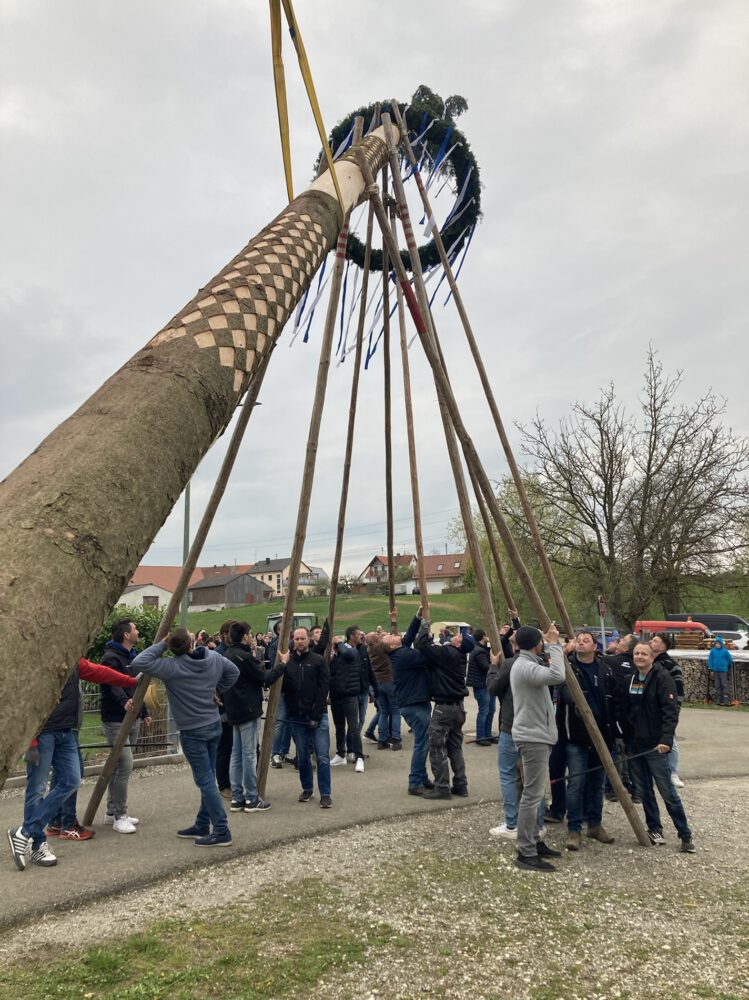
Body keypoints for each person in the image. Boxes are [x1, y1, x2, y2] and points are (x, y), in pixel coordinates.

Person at [7, 657, 136, 871]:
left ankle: (24, 832)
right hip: (42, 734)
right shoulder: (37, 662)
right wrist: (30, 741)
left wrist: (129, 681)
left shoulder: (71, 658)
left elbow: (99, 672)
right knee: (37, 789)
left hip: (66, 732)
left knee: (71, 780)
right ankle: (38, 845)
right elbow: (23, 699)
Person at [133, 628, 239, 847]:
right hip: (213, 724)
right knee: (209, 776)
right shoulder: (213, 657)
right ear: (191, 643)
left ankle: (222, 830)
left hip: (192, 730)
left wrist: (162, 643)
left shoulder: (171, 667)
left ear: (172, 647)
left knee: (205, 781)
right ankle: (202, 824)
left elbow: (140, 661)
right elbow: (234, 672)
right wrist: (217, 690)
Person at [623, 642, 695, 852]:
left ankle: (685, 834)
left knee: (667, 792)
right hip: (635, 746)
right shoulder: (630, 679)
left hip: (656, 746)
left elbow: (670, 713)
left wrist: (666, 740)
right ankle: (655, 829)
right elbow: (626, 710)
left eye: (644, 653)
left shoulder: (663, 679)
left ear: (652, 657)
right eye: (636, 653)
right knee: (644, 791)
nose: (639, 657)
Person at [510, 623, 566, 871]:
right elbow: (557, 676)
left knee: (536, 794)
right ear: (537, 643)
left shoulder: (525, 663)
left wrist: (551, 646)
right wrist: (555, 644)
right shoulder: (525, 667)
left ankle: (533, 840)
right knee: (532, 796)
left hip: (536, 735)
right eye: (541, 641)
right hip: (533, 737)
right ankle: (526, 852)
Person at [557, 631, 618, 851]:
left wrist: (617, 732)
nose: (581, 643)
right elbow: (564, 691)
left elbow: (615, 699)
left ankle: (595, 824)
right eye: (578, 640)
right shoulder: (568, 669)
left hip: (602, 736)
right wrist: (577, 703)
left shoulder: (605, 669)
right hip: (577, 736)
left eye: (586, 640)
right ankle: (574, 829)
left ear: (595, 647)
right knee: (575, 784)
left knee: (597, 783)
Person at [222, 621, 285, 812]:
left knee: (236, 754)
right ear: (245, 636)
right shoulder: (243, 657)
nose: (251, 637)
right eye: (249, 634)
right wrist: (282, 665)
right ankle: (251, 798)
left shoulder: (227, 655)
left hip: (233, 709)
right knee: (248, 754)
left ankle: (237, 798)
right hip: (247, 709)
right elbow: (264, 678)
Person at [99, 618, 151, 833]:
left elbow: (137, 687)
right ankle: (121, 815)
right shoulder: (110, 658)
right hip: (116, 719)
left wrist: (144, 711)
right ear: (126, 635)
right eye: (135, 629)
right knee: (124, 766)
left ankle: (111, 812)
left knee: (118, 767)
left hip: (133, 717)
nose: (138, 631)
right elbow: (113, 684)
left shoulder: (133, 656)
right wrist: (124, 702)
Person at [415, 621, 474, 800]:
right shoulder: (459, 656)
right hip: (458, 708)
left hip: (444, 708)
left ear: (458, 644)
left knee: (437, 746)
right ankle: (460, 785)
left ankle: (441, 786)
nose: (456, 635)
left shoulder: (448, 653)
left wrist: (425, 627)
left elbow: (422, 646)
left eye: (459, 636)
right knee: (455, 748)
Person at [281, 628, 332, 808]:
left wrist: (317, 714)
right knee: (302, 756)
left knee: (323, 756)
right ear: (293, 640)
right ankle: (307, 788)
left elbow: (324, 687)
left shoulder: (318, 661)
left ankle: (325, 793)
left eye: (303, 638)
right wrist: (282, 665)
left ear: (309, 640)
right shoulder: (289, 662)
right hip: (297, 717)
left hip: (318, 715)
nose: (300, 641)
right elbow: (284, 688)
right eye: (297, 638)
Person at [649, 633, 685, 787]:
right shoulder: (649, 662)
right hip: (650, 709)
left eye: (655, 640)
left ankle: (672, 772)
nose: (651, 641)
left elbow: (678, 688)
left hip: (666, 708)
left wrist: (675, 709)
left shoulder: (670, 664)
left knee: (670, 739)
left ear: (663, 646)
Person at [329, 627, 367, 772]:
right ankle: (340, 754)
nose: (361, 636)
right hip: (336, 695)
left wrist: (339, 643)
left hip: (350, 695)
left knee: (353, 727)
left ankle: (359, 757)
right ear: (351, 636)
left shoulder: (352, 651)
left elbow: (348, 652)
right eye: (358, 634)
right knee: (339, 727)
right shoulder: (336, 657)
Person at [214, 619, 238, 801]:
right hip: (224, 709)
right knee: (224, 749)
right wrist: (221, 710)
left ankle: (238, 782)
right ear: (224, 635)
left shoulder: (236, 651)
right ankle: (224, 784)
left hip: (238, 708)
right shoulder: (217, 655)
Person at [467, 629, 495, 746]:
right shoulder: (479, 651)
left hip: (487, 684)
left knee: (491, 710)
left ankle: (488, 734)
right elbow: (485, 667)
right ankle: (481, 736)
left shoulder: (480, 649)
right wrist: (494, 664)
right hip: (482, 685)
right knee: (484, 711)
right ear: (483, 636)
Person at [708, 635, 733, 706]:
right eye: (716, 644)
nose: (717, 645)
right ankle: (718, 699)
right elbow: (710, 660)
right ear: (715, 644)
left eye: (719, 644)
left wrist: (725, 665)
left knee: (724, 684)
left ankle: (725, 699)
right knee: (717, 684)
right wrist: (711, 669)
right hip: (715, 670)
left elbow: (729, 659)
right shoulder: (713, 651)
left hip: (723, 670)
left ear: (721, 644)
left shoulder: (725, 651)